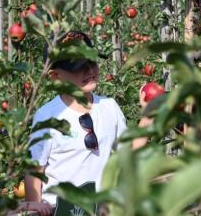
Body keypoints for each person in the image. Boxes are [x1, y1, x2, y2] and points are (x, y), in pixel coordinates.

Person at [14, 31, 143, 216]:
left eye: (92, 62)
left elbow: (127, 151)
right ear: (55, 77)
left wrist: (147, 117)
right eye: (79, 67)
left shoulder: (109, 107)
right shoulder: (48, 116)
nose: (89, 70)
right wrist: (34, 205)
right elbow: (35, 168)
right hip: (62, 210)